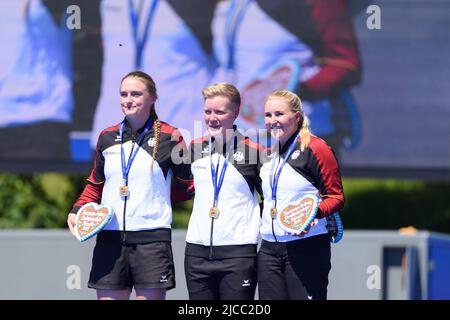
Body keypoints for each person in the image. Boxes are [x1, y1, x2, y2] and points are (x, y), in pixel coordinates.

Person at [67, 71, 192, 300]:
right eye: (123, 94)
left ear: (153, 98)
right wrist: (77, 209)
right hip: (110, 239)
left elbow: (189, 186)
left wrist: (157, 197)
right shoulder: (107, 136)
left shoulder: (170, 136)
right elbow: (96, 184)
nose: (128, 99)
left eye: (136, 94)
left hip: (152, 241)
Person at [211, 0, 362, 156]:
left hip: (301, 141)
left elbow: (346, 65)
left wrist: (293, 93)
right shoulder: (229, 5)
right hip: (239, 140)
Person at [258, 90, 345, 300]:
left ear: (297, 116)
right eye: (268, 115)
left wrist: (310, 214)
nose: (272, 120)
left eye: (279, 114)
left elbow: (336, 197)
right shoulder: (267, 154)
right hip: (269, 249)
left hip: (307, 246)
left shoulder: (316, 147)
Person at [184, 82, 262, 300]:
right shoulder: (195, 148)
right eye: (208, 111)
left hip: (238, 253)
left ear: (235, 112)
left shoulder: (254, 152)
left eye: (220, 111)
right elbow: (184, 188)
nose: (212, 118)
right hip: (197, 253)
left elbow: (271, 199)